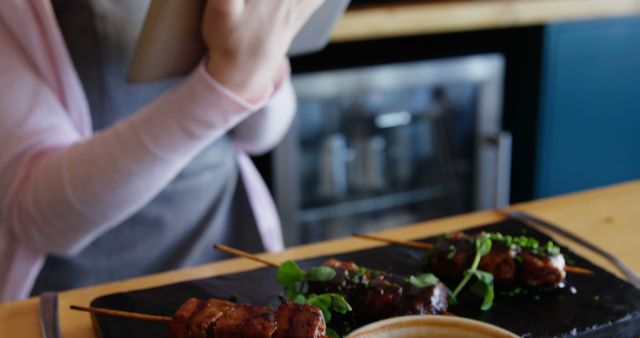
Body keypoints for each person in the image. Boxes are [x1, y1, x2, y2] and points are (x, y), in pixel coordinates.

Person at [0, 0, 324, 302]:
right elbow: (39, 217)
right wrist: (228, 81)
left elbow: (260, 136)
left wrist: (255, 64)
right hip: (88, 299)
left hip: (228, 265)